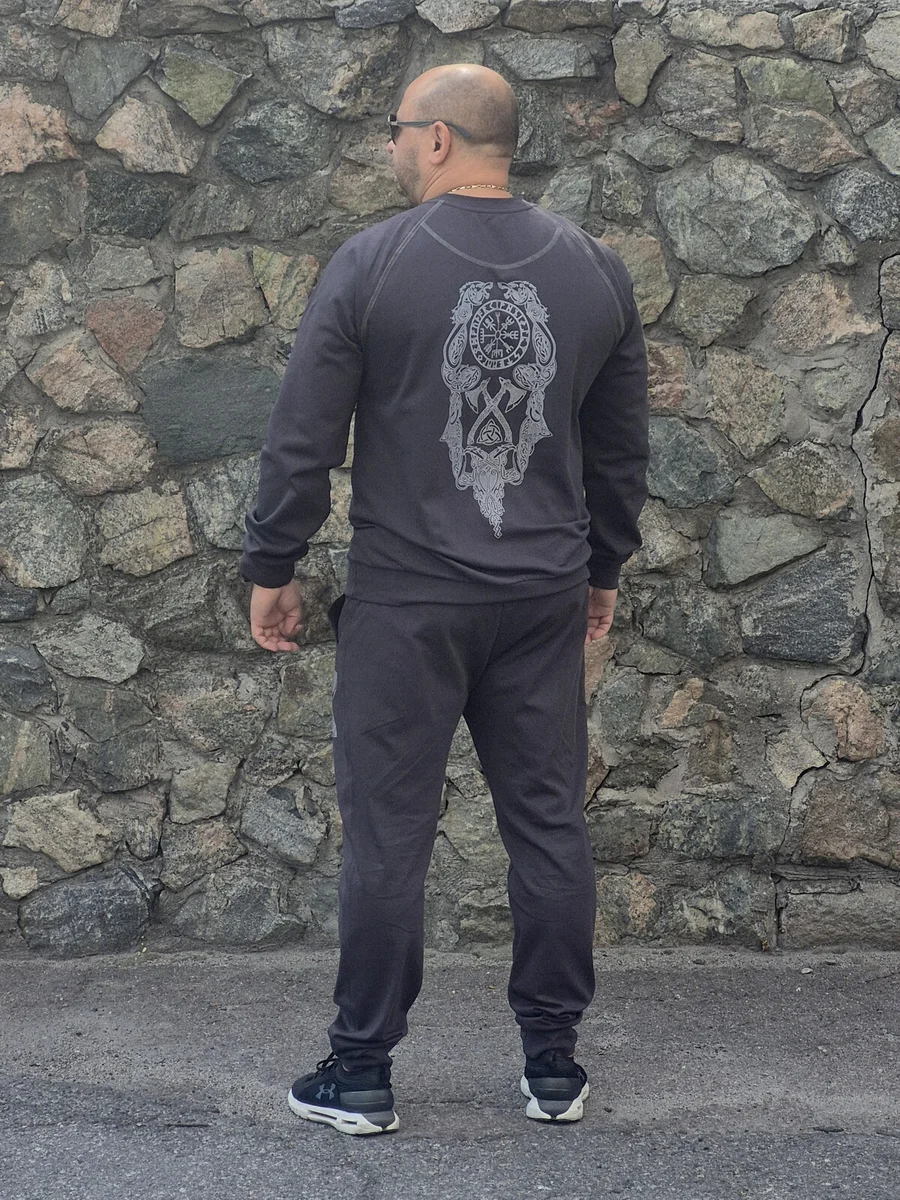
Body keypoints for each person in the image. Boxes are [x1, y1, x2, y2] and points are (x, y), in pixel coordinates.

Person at [239, 63, 650, 1135]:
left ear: (435, 139)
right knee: (549, 824)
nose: (388, 147)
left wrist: (273, 566)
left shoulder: (373, 264)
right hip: (542, 596)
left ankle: (361, 1073)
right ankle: (554, 1065)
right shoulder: (595, 269)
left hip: (408, 603)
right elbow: (619, 450)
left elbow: (303, 437)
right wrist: (604, 569)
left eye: (394, 129)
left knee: (389, 836)